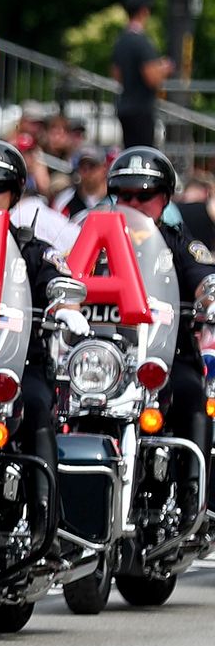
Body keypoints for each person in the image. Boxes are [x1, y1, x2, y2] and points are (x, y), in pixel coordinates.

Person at [0, 141, 88, 521]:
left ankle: (45, 515)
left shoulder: (33, 248)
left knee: (33, 404)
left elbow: (55, 279)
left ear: (13, 193)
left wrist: (64, 306)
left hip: (19, 362)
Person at [106, 147, 213, 458]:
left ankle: (193, 491)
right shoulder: (93, 242)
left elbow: (203, 274)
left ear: (165, 198)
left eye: (146, 195)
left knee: (192, 393)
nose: (135, 203)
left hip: (167, 357)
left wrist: (210, 294)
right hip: (107, 358)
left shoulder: (179, 243)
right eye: (125, 195)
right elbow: (68, 280)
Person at [110, 0, 171, 149]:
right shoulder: (142, 42)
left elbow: (116, 74)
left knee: (129, 151)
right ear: (144, 11)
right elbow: (152, 78)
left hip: (125, 106)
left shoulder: (121, 40)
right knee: (144, 153)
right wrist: (164, 69)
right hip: (141, 108)